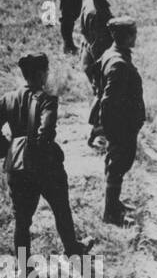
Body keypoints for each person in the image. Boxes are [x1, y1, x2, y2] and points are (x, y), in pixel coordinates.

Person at [0, 53, 94, 256]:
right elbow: (46, 133)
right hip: (45, 167)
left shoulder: (7, 99)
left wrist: (8, 148)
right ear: (42, 74)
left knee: (22, 220)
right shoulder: (47, 100)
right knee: (61, 209)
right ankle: (73, 250)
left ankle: (24, 268)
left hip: (16, 167)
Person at [98, 17, 145, 226]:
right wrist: (113, 131)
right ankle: (110, 214)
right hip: (121, 126)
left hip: (122, 124)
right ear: (126, 37)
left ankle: (114, 203)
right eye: (133, 33)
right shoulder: (118, 63)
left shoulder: (112, 54)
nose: (136, 37)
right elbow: (108, 101)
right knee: (118, 165)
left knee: (117, 165)